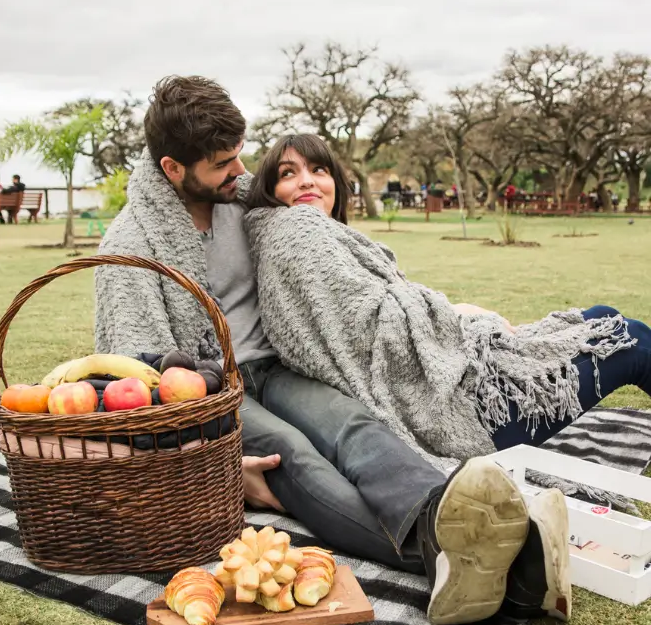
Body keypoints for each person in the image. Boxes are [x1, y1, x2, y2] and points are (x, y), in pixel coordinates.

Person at [95, 76, 570, 625]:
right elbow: (134, 377)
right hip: (210, 390)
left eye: (239, 154)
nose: (239, 170)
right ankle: (467, 554)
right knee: (291, 453)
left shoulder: (243, 202)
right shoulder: (130, 246)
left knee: (354, 425)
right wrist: (214, 461)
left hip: (276, 366)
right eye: (223, 163)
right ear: (173, 168)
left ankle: (449, 519)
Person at [245, 133, 649, 458]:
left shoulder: (326, 239)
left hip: (459, 380)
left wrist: (468, 323)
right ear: (271, 190)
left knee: (602, 314)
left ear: (335, 181)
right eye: (288, 172)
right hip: (457, 414)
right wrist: (464, 313)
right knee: (631, 341)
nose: (307, 181)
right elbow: (375, 333)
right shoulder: (299, 232)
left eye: (318, 169)